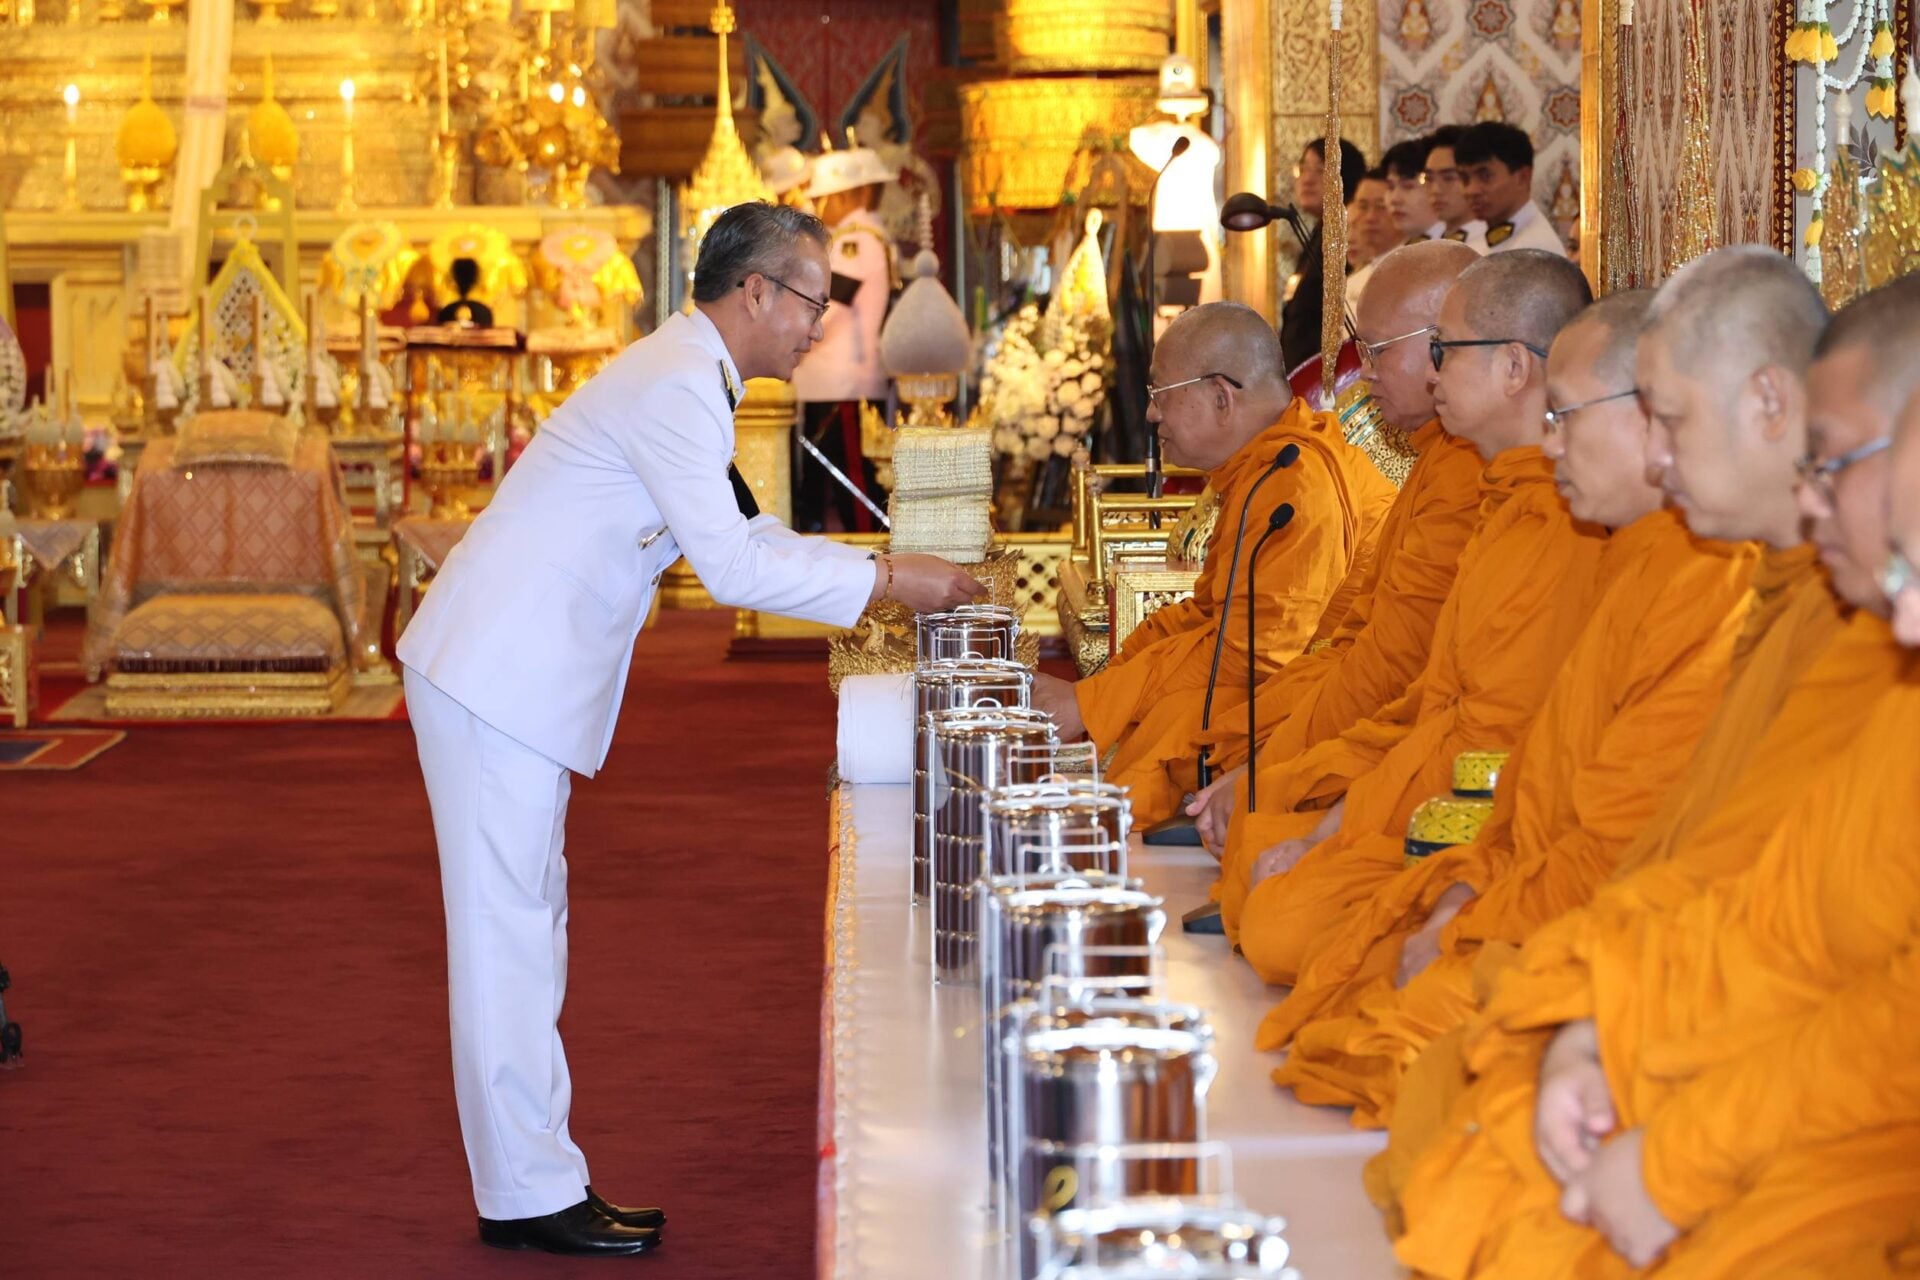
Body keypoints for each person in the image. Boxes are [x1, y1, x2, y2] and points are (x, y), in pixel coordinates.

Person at [397, 202, 982, 1257]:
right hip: (495, 669)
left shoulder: (689, 377)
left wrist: (882, 572)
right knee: (506, 932)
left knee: (526, 922)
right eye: (811, 300)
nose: (818, 325)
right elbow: (736, 568)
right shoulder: (676, 384)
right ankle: (526, 1192)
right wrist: (896, 579)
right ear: (755, 290)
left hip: (512, 669)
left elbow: (749, 531)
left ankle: (534, 1177)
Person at [1394, 273, 1920, 1280]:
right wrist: (1598, 1014)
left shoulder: (1818, 620)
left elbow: (1881, 1012)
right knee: (1480, 1108)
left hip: (1840, 1110)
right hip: (1727, 1006)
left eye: (1832, 467)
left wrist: (1676, 1148)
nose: (1812, 501)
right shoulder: (1825, 622)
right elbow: (1750, 896)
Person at [1260, 286, 1766, 1124]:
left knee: (1403, 1055)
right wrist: (1461, 888)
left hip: (1609, 922)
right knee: (1331, 967)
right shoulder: (1616, 546)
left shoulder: (1707, 580)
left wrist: (1469, 911)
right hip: (1516, 860)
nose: (1549, 441)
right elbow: (1488, 737)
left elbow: (1611, 833)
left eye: (1565, 418)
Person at [1219, 251, 1604, 950]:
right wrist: (1327, 807)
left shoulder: (1558, 520)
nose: (1432, 373)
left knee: (1278, 911)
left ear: (1514, 367)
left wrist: (1336, 823)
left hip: (1498, 815)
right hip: (1429, 765)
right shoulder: (1501, 496)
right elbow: (1422, 691)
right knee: (1261, 848)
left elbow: (1483, 739)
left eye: (1444, 351)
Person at [1029, 302, 1396, 824]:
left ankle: (1119, 832)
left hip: (1331, 709)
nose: (1151, 414)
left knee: (1180, 719)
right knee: (1166, 711)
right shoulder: (1259, 473)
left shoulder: (1295, 483)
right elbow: (1207, 616)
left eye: (1160, 393)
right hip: (1277, 683)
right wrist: (1102, 690)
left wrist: (1096, 702)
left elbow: (1258, 658)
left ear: (1222, 397)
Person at [1183, 241, 1485, 853]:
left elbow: (1394, 664)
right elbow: (1353, 638)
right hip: (1376, 717)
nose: (1364, 371)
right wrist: (1272, 752)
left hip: (1439, 751)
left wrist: (1276, 771)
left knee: (1275, 878)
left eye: (1377, 349)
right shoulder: (1438, 460)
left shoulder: (1466, 474)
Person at [791, 144, 898, 533]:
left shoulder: (858, 241)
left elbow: (830, 307)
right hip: (830, 383)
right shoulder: (854, 238)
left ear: (848, 195)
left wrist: (789, 341)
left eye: (824, 198)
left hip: (842, 384)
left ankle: (871, 555)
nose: (819, 207)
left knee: (853, 485)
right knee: (825, 487)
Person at [1279, 137, 1369, 370]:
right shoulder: (1320, 232)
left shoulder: (1351, 235)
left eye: (1321, 170)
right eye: (1303, 169)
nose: (1307, 179)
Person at [1455, 121, 1564, 256]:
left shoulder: (1535, 248)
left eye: (1485, 176)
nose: (1471, 190)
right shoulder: (1485, 241)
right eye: (1465, 179)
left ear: (1523, 177)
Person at [1419, 125, 1489, 251]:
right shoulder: (1426, 248)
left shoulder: (1489, 248)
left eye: (1448, 178)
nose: (1435, 190)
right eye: (1429, 179)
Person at [1345, 170, 1405, 312]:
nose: (1370, 217)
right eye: (1363, 207)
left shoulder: (1410, 271)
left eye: (1381, 207)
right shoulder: (1354, 280)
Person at [1380, 137, 1438, 245]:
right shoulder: (1399, 251)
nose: (1395, 199)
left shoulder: (1461, 249)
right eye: (1390, 187)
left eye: (1408, 187)